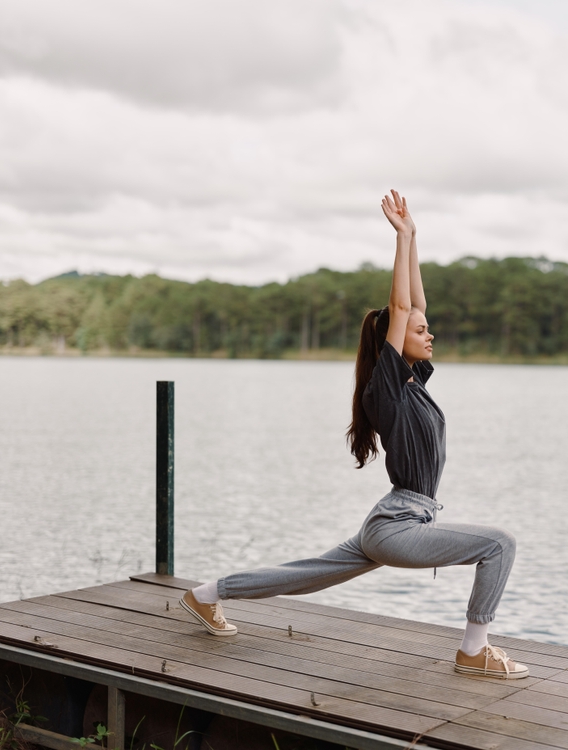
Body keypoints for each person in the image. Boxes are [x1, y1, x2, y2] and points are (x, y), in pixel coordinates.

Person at [180, 190, 528, 679]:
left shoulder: (413, 382)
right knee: (499, 544)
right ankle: (473, 651)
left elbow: (416, 303)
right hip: (399, 525)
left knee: (308, 574)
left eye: (429, 329)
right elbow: (403, 304)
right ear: (397, 337)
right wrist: (401, 236)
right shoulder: (383, 388)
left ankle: (206, 594)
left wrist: (415, 238)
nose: (431, 334)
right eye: (420, 329)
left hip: (395, 522)